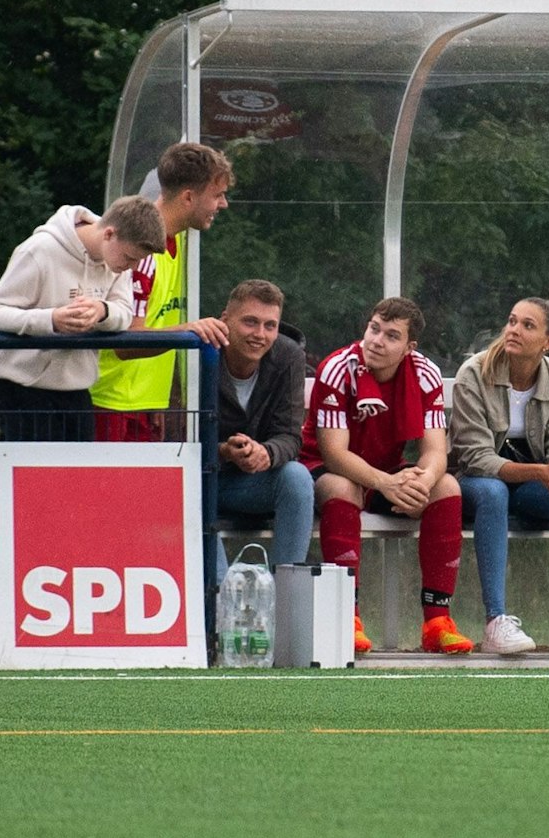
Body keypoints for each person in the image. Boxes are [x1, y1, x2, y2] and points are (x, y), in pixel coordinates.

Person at [303, 297, 471, 655]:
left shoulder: (425, 373)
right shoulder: (336, 368)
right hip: (327, 468)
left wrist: (421, 483)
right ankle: (347, 616)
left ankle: (437, 621)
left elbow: (435, 452)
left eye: (391, 336)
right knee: (342, 486)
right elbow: (333, 453)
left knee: (446, 485)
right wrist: (387, 483)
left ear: (409, 348)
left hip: (385, 471)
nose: (376, 341)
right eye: (374, 329)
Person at [452, 298, 549, 656]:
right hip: (476, 481)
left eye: (528, 326)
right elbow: (475, 457)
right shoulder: (474, 372)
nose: (514, 330)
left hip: (533, 484)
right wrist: (540, 472)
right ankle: (496, 621)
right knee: (493, 493)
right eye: (512, 321)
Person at [0, 197, 164, 441]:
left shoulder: (116, 263)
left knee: (78, 477)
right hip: (21, 388)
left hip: (77, 388)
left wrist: (102, 311)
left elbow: (124, 312)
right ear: (109, 234)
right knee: (37, 476)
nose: (132, 267)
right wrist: (51, 320)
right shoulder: (39, 250)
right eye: (130, 258)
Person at [92, 143, 235, 442]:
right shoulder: (140, 251)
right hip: (113, 405)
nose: (223, 205)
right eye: (217, 195)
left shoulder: (182, 242)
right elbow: (126, 343)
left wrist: (166, 396)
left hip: (144, 404)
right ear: (187, 197)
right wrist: (188, 331)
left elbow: (161, 315)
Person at [214, 279, 314, 576]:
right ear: (225, 320)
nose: (260, 334)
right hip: (206, 478)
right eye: (250, 322)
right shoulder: (202, 353)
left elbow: (290, 436)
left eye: (270, 325)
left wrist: (266, 453)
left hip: (253, 482)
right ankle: (217, 599)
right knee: (190, 484)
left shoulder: (289, 356)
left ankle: (283, 594)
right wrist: (224, 451)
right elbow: (179, 439)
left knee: (297, 476)